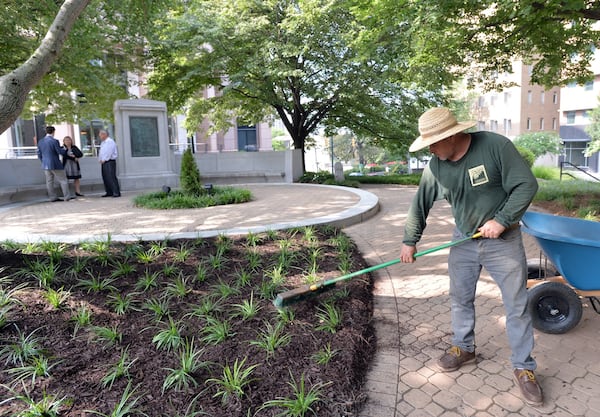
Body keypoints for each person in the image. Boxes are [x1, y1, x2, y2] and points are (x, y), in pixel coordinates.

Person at [399, 107, 543, 406]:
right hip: (464, 239)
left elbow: (526, 185)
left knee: (515, 306)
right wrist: (410, 240)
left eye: (434, 142)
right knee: (459, 298)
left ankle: (524, 368)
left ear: (452, 135)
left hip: (503, 241)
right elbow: (420, 203)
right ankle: (464, 347)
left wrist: (502, 220)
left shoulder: (494, 146)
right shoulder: (436, 165)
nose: (431, 148)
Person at [36, 126, 73, 202]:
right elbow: (59, 151)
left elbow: (39, 154)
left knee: (49, 181)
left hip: (45, 165)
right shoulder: (54, 141)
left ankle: (52, 197)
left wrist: (43, 161)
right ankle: (66, 196)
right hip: (55, 163)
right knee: (63, 180)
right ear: (53, 132)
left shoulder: (41, 141)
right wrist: (65, 150)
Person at [97, 129, 121, 197]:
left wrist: (105, 159)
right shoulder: (103, 143)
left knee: (111, 177)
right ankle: (109, 191)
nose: (100, 136)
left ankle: (116, 192)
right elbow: (101, 152)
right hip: (104, 162)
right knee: (105, 177)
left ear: (104, 134)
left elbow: (109, 152)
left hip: (109, 161)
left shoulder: (110, 142)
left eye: (100, 135)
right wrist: (100, 159)